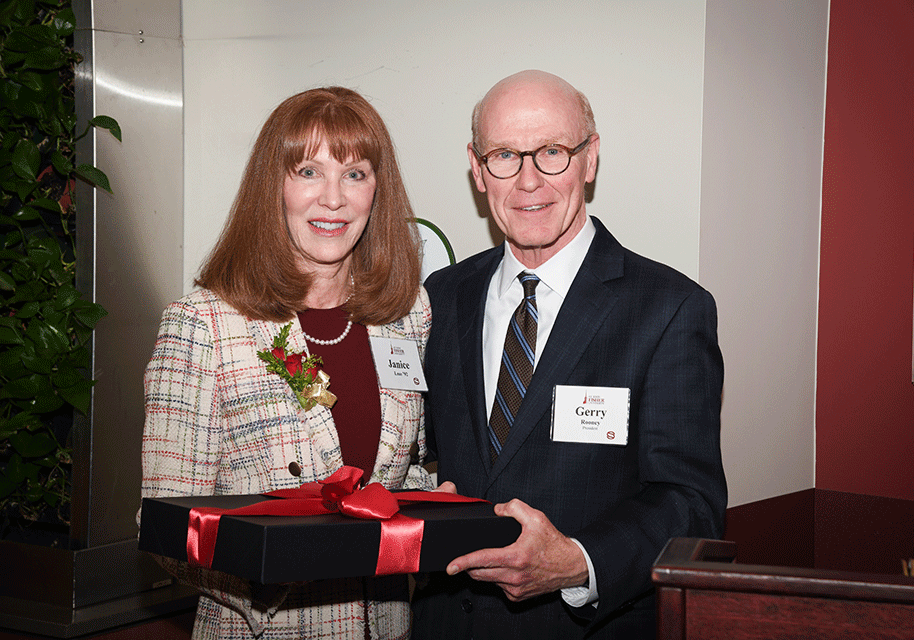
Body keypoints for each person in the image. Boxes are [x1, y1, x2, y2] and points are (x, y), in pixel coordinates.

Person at [412, 70, 726, 639]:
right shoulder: (440, 299)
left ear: (591, 158)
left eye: (552, 152)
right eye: (506, 155)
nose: (529, 180)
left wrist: (579, 561)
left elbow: (692, 502)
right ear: (478, 169)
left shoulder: (670, 309)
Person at [140, 87, 432, 640]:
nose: (333, 199)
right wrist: (272, 581)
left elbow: (397, 472)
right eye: (307, 171)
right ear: (273, 187)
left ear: (378, 190)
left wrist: (436, 511)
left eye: (355, 174)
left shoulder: (407, 315)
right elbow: (165, 523)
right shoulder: (204, 324)